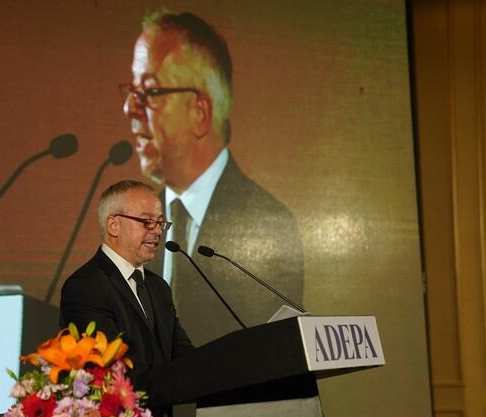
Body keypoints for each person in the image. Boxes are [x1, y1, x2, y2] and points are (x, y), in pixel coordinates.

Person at [121, 10, 304, 346]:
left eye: (148, 92)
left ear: (200, 112)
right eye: (131, 92)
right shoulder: (136, 221)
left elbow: (268, 352)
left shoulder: (269, 221)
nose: (129, 109)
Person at [59, 179, 194, 388]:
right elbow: (110, 371)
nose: (158, 231)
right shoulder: (85, 287)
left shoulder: (159, 287)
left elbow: (182, 354)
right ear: (114, 225)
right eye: (147, 222)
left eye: (160, 222)